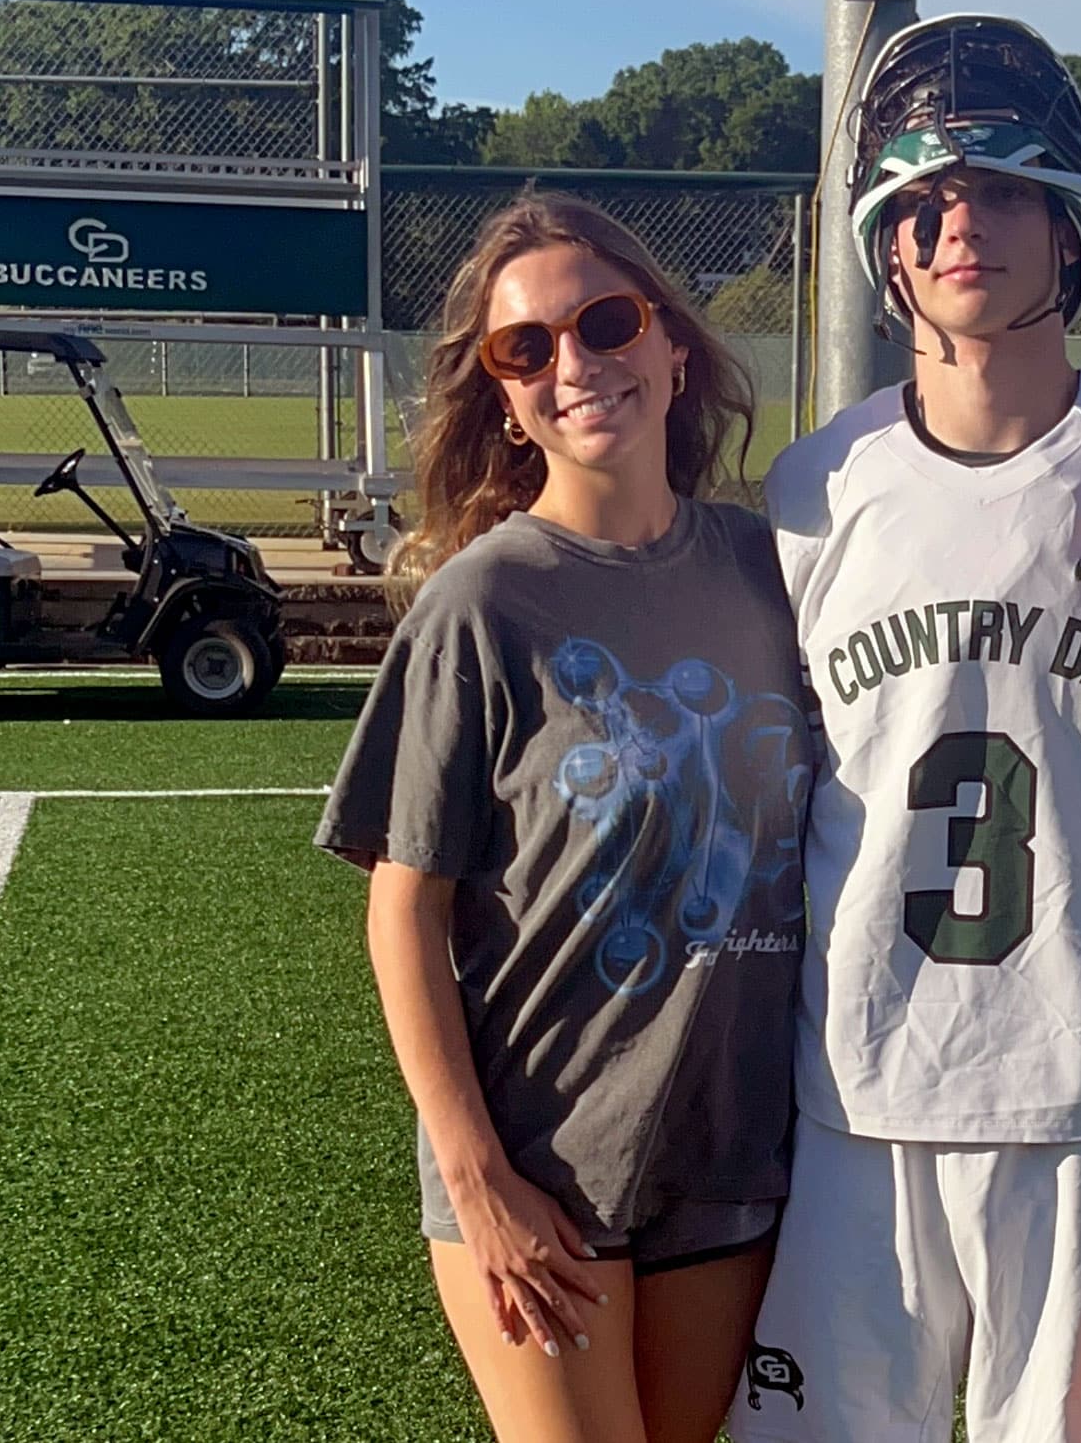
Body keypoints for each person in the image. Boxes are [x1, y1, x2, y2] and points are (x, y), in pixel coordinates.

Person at [732, 16, 1081, 1443]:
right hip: (858, 1082)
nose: (968, 225)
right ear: (885, 245)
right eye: (931, 201)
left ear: (1072, 223)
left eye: (1008, 190)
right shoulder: (815, 490)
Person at [314, 191, 811, 1443]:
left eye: (604, 323)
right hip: (542, 1167)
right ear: (501, 394)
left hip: (727, 1162)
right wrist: (479, 1179)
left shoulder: (774, 572)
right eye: (523, 349)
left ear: (671, 346)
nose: (572, 366)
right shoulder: (483, 604)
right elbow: (403, 908)